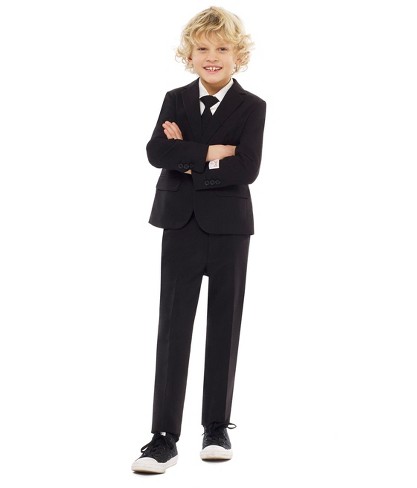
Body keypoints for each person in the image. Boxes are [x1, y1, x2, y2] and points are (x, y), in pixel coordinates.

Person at [131, 6, 266, 474]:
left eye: (222, 48)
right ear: (188, 55)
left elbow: (247, 167)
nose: (212, 56)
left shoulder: (252, 106)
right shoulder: (175, 99)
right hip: (180, 223)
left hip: (230, 228)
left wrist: (187, 160)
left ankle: (216, 427)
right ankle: (163, 438)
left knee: (224, 326)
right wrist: (211, 153)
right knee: (173, 329)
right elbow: (156, 152)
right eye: (203, 48)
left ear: (238, 55)